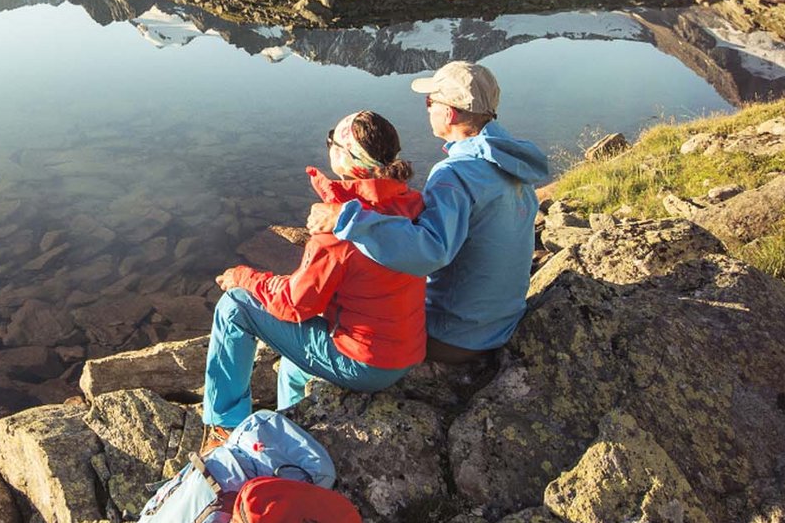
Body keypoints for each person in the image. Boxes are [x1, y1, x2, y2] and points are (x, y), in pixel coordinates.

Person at [201, 111, 429, 449]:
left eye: (331, 141)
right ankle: (291, 425)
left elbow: (294, 305)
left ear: (345, 157)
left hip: (365, 364)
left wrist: (244, 277)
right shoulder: (409, 203)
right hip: (405, 352)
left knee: (235, 305)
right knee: (294, 367)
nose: (329, 147)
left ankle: (223, 426)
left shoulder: (338, 231)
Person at [307, 62, 547, 363]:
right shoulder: (511, 161)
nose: (427, 108)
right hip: (500, 324)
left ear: (450, 113)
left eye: (430, 102)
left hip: (455, 335)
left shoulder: (456, 173)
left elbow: (429, 252)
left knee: (339, 319)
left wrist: (344, 218)